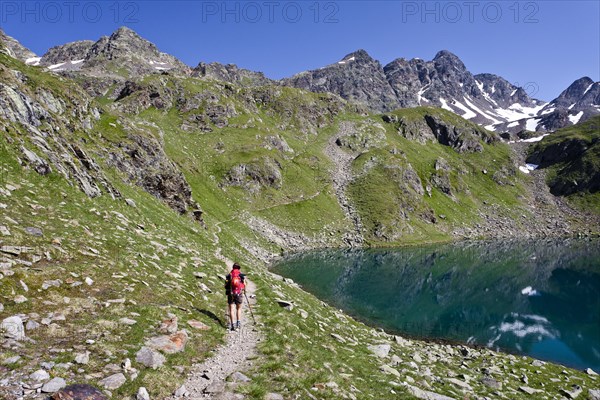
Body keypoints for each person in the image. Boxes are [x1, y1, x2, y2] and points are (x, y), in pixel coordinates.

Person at [225, 262, 245, 331]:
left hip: (231, 293)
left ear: (233, 268)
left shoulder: (229, 275)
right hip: (239, 293)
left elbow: (225, 286)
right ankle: (238, 324)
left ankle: (232, 325)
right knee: (238, 308)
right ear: (239, 268)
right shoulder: (241, 275)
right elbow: (244, 284)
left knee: (231, 309)